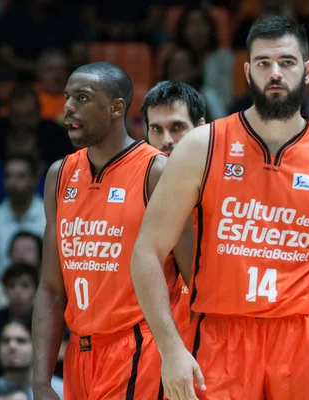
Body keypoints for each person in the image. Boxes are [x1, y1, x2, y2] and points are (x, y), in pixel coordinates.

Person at [131, 16, 309, 400]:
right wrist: (170, 347)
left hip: (307, 339)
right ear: (247, 71)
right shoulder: (200, 146)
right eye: (263, 63)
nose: (275, 73)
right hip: (220, 335)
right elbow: (146, 252)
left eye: (287, 62)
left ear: (308, 70)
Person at [30, 62, 186, 400]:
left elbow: (193, 279)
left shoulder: (156, 171)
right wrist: (41, 380)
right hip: (80, 355)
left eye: (82, 98)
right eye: (68, 97)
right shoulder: (60, 175)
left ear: (116, 107)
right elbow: (51, 288)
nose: (68, 107)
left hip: (140, 349)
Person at [140, 80, 207, 348]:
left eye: (177, 128)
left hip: (214, 338)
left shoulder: (229, 191)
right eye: (156, 129)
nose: (166, 140)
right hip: (151, 346)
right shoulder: (135, 190)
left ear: (201, 128)